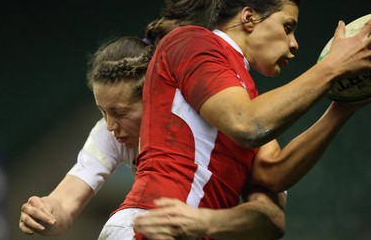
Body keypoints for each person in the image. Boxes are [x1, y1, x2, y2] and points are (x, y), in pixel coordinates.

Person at [99, 0, 371, 239]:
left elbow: (273, 172)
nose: (294, 44)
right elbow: (247, 124)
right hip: (148, 225)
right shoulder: (192, 42)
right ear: (249, 18)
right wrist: (333, 67)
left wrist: (342, 107)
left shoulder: (244, 95)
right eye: (287, 27)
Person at [18, 36, 286, 239]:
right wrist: (46, 211)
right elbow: (66, 201)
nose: (110, 124)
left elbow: (271, 219)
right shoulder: (107, 133)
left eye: (119, 113)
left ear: (154, 98)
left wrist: (201, 222)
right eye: (103, 111)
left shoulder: (214, 124)